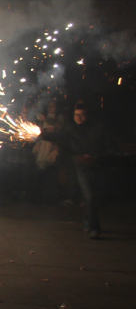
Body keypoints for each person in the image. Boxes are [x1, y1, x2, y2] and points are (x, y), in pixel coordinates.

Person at [40, 101, 111, 239]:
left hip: (98, 166)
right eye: (76, 115)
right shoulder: (71, 128)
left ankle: (89, 221)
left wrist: (97, 157)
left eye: (82, 115)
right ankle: (93, 227)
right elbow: (59, 136)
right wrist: (42, 134)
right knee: (90, 196)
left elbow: (107, 146)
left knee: (94, 198)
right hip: (82, 167)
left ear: (88, 115)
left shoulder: (97, 128)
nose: (78, 118)